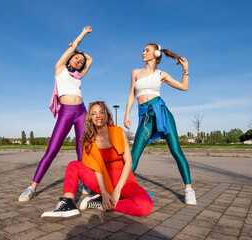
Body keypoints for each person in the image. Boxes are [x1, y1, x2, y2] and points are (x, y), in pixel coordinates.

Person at [41, 101, 153, 222]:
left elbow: (129, 163)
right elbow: (97, 169)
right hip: (103, 182)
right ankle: (67, 204)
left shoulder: (119, 132)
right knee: (74, 165)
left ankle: (101, 205)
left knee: (145, 206)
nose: (98, 115)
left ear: (106, 115)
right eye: (93, 114)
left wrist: (117, 192)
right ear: (90, 118)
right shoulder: (89, 141)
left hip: (125, 181)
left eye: (101, 112)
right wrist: (104, 192)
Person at [18, 26, 93, 202]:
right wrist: (80, 38)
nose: (79, 61)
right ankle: (32, 187)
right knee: (52, 150)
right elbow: (73, 51)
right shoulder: (59, 69)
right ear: (69, 58)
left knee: (82, 150)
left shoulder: (78, 76)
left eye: (80, 61)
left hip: (82, 112)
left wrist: (80, 52)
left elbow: (90, 59)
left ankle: (84, 183)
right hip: (66, 112)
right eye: (76, 58)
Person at [123, 43, 197, 205]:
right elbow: (131, 95)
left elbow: (184, 87)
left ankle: (189, 189)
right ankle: (123, 189)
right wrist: (127, 113)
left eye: (146, 50)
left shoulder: (161, 74)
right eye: (143, 50)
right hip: (145, 117)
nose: (143, 52)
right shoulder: (135, 73)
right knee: (133, 155)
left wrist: (185, 68)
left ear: (156, 54)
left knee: (176, 151)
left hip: (162, 113)